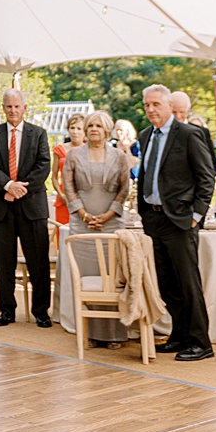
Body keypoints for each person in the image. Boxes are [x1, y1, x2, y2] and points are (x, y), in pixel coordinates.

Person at [137, 83, 216, 361]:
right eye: (147, 105)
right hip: (153, 218)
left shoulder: (190, 134)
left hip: (181, 220)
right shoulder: (146, 135)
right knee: (167, 284)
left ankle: (200, 342)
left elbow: (206, 178)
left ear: (170, 105)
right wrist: (144, 211)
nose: (150, 109)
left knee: (187, 282)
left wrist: (196, 215)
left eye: (156, 104)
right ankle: (180, 335)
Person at [0, 89, 52, 327]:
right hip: (2, 207)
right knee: (4, 262)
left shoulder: (39, 133)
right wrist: (8, 186)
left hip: (32, 206)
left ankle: (41, 311)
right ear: (3, 108)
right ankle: (7, 311)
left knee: (38, 262)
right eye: (9, 107)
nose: (13, 111)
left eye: (17, 107)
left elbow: (43, 166)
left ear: (25, 108)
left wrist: (20, 189)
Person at [63, 110, 131, 345]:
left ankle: (114, 334)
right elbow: (68, 187)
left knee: (112, 278)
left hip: (111, 223)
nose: (93, 129)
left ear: (107, 131)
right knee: (85, 277)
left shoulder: (120, 156)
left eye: (99, 126)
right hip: (81, 224)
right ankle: (89, 333)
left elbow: (125, 188)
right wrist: (83, 215)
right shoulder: (73, 155)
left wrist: (108, 214)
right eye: (90, 125)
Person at [51, 114, 86, 241]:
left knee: (82, 235)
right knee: (64, 233)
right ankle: (64, 260)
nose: (75, 131)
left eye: (79, 128)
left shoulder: (89, 149)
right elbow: (54, 176)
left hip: (84, 197)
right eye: (72, 128)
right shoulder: (59, 150)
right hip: (63, 197)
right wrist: (61, 195)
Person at [170, 91, 216, 175]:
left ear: (188, 109)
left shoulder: (201, 132)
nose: (178, 116)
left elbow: (213, 165)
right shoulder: (161, 132)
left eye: (182, 112)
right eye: (174, 112)